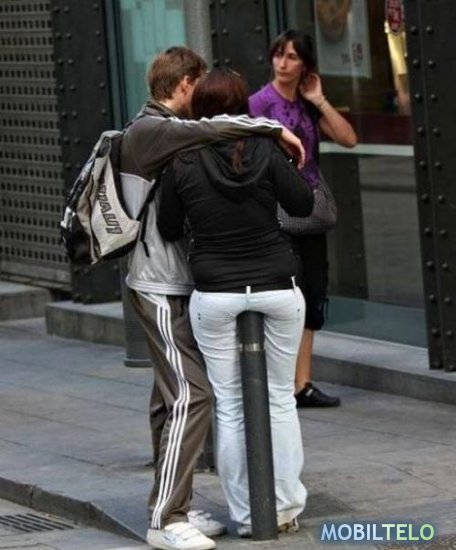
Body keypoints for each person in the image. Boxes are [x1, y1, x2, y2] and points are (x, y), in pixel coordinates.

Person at [120, 47, 306, 550]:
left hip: (194, 285)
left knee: (177, 399)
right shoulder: (152, 129)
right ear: (184, 85)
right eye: (196, 85)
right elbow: (211, 131)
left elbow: (205, 138)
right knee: (197, 395)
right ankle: (166, 518)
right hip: (161, 284)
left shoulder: (176, 139)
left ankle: (184, 502)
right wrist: (270, 129)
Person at [249, 30, 357, 408]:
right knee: (283, 298)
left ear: (306, 65)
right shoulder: (258, 104)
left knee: (312, 294)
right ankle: (277, 384)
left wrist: (319, 99)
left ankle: (302, 384)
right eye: (278, 54)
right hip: (273, 215)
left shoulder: (308, 106)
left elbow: (349, 139)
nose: (282, 63)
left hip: (309, 213)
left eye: (292, 57)